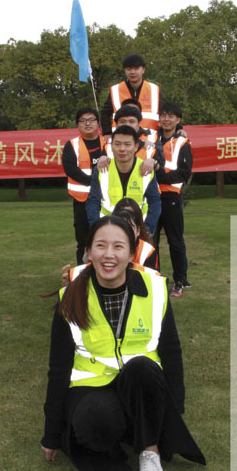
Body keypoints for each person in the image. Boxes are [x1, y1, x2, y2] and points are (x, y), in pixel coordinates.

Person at [41, 216, 206, 471]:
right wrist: (51, 433)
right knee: (93, 422)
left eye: (118, 246)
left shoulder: (155, 290)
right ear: (88, 252)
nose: (108, 254)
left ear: (131, 254)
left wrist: (174, 412)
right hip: (91, 387)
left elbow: (171, 352)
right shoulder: (70, 296)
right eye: (100, 246)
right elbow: (58, 369)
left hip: (142, 382)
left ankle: (149, 450)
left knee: (141, 366)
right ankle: (128, 429)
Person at [86, 125, 161, 236]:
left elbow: (155, 202)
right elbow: (93, 202)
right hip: (108, 228)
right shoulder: (102, 170)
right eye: (117, 144)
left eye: (127, 144)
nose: (122, 149)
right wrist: (96, 229)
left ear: (136, 147)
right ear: (111, 146)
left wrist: (148, 229)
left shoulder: (146, 169)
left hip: (138, 230)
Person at [154, 102, 193, 297]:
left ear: (178, 120)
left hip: (171, 197)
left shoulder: (182, 142)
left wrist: (161, 175)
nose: (166, 119)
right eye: (163, 115)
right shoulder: (151, 139)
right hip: (151, 197)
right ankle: (154, 277)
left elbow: (184, 173)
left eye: (171, 116)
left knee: (175, 241)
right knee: (150, 241)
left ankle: (180, 280)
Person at [63, 107, 106, 264]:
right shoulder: (72, 145)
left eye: (91, 120)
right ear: (77, 125)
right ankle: (83, 274)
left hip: (107, 200)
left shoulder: (108, 143)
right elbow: (70, 169)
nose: (88, 123)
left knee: (107, 240)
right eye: (83, 120)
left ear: (98, 123)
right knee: (83, 242)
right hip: (82, 201)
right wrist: (93, 182)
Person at [100, 54, 161, 136]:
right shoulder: (115, 90)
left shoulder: (154, 89)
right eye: (129, 69)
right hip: (121, 137)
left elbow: (165, 113)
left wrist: (173, 130)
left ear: (143, 69)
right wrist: (107, 133)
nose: (132, 72)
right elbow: (105, 114)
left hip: (149, 137)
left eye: (136, 69)